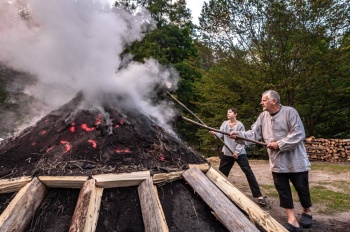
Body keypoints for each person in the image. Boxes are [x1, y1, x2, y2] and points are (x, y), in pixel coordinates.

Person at [229, 90, 312, 232]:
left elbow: (298, 133)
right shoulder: (263, 116)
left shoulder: (290, 112)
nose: (261, 102)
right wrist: (239, 135)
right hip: (277, 162)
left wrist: (279, 144)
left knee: (301, 187)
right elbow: (253, 133)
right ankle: (292, 220)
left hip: (295, 160)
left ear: (274, 101)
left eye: (264, 100)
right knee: (283, 190)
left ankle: (307, 211)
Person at [209, 108, 266, 207]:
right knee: (221, 173)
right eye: (227, 112)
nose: (228, 114)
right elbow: (220, 133)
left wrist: (236, 152)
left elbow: (242, 139)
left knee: (248, 172)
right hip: (227, 152)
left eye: (230, 112)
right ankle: (217, 191)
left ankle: (259, 196)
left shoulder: (240, 125)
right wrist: (215, 133)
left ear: (235, 114)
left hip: (239, 153)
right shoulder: (225, 123)